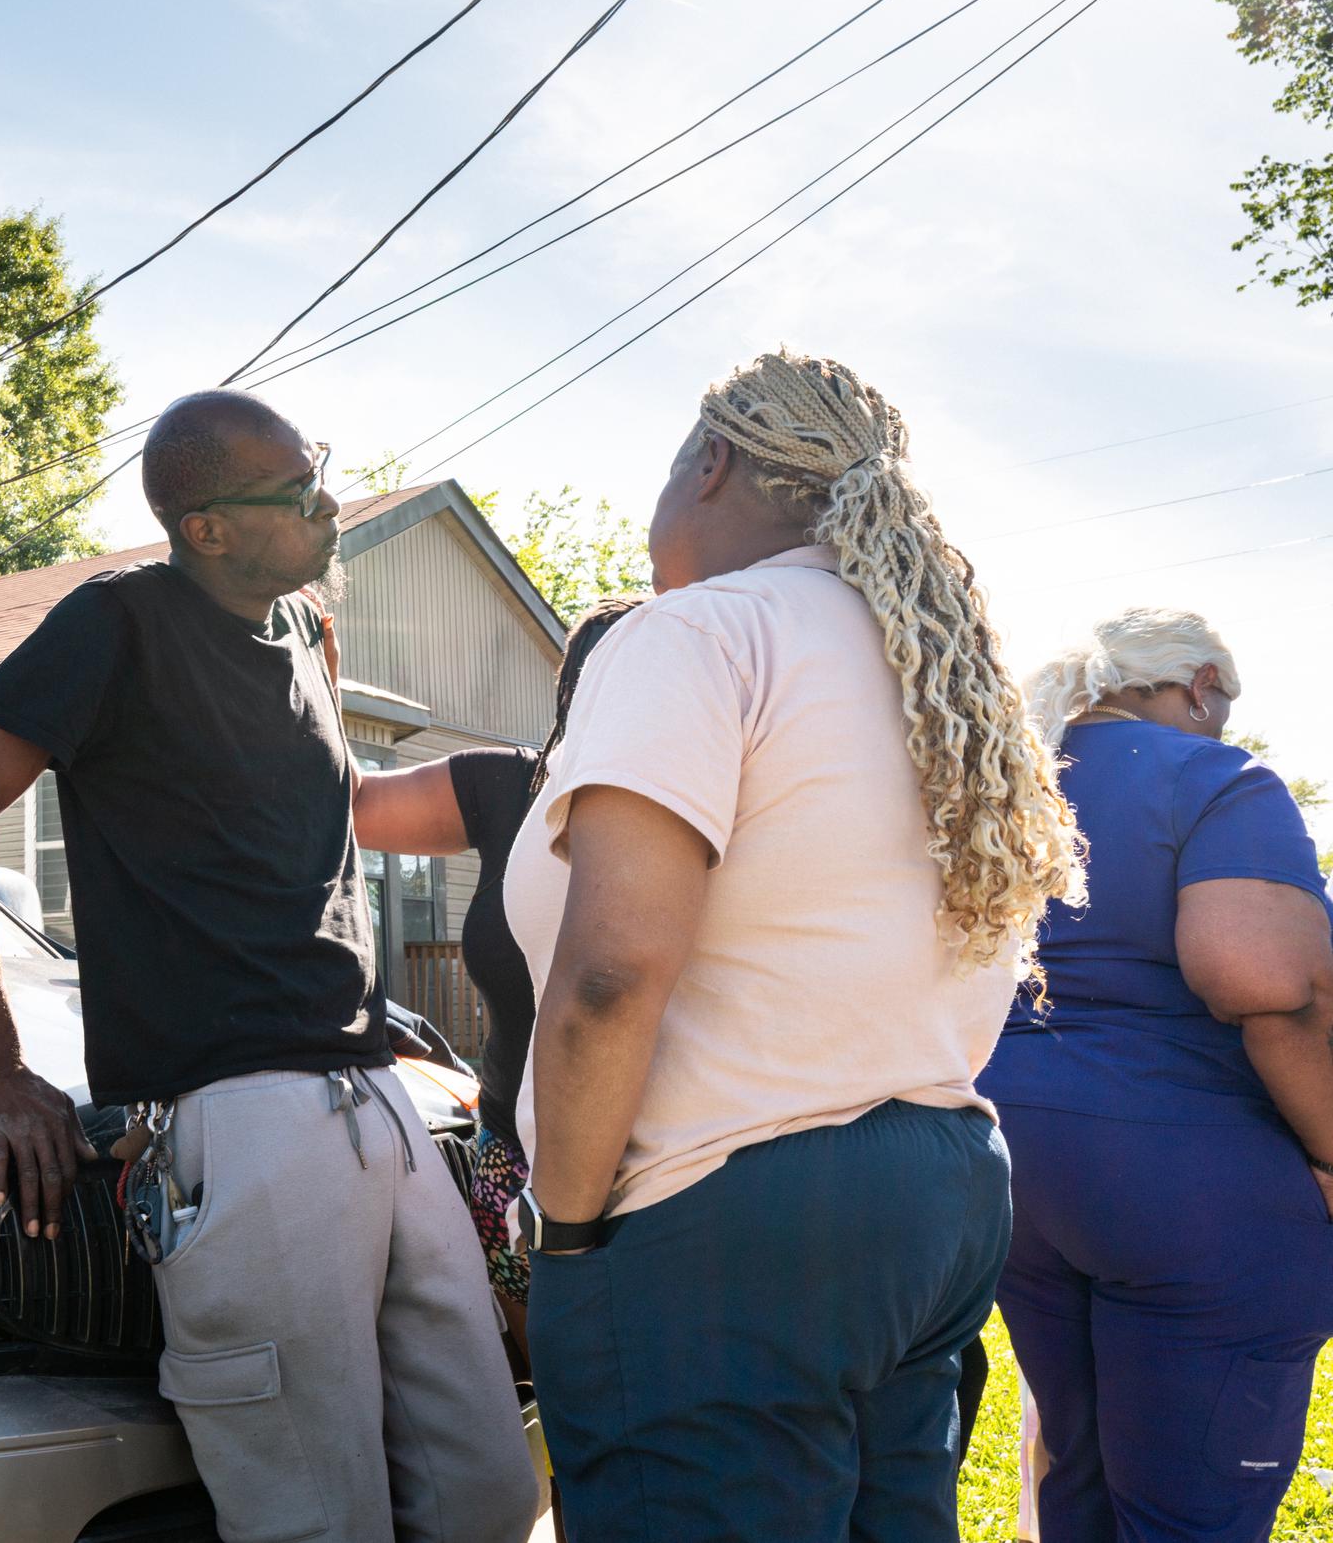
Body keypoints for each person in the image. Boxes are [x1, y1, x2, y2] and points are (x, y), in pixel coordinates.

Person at [0, 389, 541, 1543]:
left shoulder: (307, 631)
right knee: (316, 1519)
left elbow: (333, 812)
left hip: (378, 1103)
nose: (326, 503)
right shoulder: (119, 623)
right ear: (208, 527)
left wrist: (531, 795)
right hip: (239, 1126)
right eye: (294, 492)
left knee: (487, 1495)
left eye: (320, 469)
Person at [505, 349, 1084, 1538]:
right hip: (938, 1191)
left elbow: (611, 973)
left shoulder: (697, 637)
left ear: (709, 462)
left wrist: (568, 1235)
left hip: (727, 1220)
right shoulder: (941, 675)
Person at [987, 607, 1333, 1542]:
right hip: (1190, 1183)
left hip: (1013, 1169)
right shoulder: (1215, 776)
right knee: (1195, 1507)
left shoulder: (1007, 788)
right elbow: (1262, 978)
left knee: (1079, 1471)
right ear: (1201, 688)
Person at [343, 593, 644, 1365]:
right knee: (568, 1411)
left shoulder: (711, 800)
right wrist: (317, 668)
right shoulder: (509, 789)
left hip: (664, 1168)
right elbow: (350, 804)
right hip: (513, 1157)